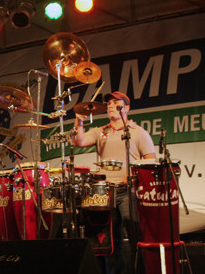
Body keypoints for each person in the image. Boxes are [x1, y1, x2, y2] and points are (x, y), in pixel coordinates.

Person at [72, 91, 155, 274]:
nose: (110, 105)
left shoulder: (138, 132)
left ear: (126, 107)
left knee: (136, 237)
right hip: (104, 193)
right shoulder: (101, 131)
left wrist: (133, 174)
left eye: (115, 102)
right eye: (108, 103)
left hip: (128, 190)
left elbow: (150, 160)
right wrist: (79, 121)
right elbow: (79, 141)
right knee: (110, 241)